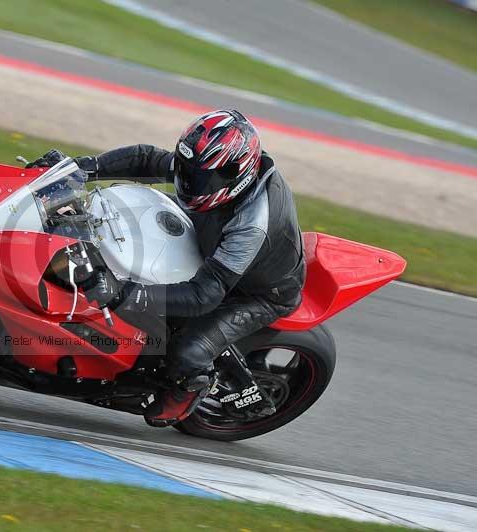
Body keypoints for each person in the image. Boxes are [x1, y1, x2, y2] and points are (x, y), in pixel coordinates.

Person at [30, 110, 306, 427]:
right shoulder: (207, 167)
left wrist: (124, 294)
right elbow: (147, 159)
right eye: (188, 170)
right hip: (210, 243)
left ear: (235, 174)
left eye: (200, 178)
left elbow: (206, 294)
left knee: (186, 350)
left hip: (257, 292)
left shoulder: (251, 224)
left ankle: (194, 384)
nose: (188, 181)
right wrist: (80, 168)